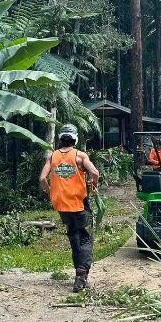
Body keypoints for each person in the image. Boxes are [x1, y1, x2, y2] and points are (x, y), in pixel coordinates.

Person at [39, 124, 100, 292]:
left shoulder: (52, 157)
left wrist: (51, 192)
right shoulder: (80, 156)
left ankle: (79, 273)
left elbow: (42, 179)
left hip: (61, 206)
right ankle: (81, 275)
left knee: (74, 235)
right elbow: (94, 173)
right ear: (75, 139)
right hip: (78, 205)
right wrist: (93, 184)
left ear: (61, 138)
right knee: (84, 238)